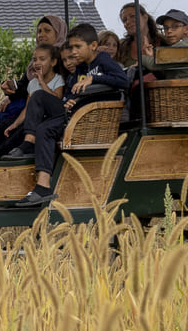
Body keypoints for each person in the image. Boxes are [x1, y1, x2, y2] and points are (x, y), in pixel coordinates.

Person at [18, 23, 130, 208]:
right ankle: (31, 148)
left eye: (78, 47)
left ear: (93, 46)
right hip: (74, 111)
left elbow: (122, 80)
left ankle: (41, 181)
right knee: (39, 99)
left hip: (92, 115)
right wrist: (68, 100)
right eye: (71, 47)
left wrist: (94, 78)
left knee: (45, 128)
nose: (74, 52)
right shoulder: (79, 68)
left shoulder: (102, 60)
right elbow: (71, 91)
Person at [0, 41, 65, 158]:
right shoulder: (32, 83)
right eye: (35, 60)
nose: (37, 63)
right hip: (32, 121)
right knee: (1, 135)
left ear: (53, 62)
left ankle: (27, 146)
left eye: (42, 59)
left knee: (15, 141)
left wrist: (42, 83)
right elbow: (27, 108)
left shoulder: (58, 79)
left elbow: (57, 99)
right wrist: (14, 125)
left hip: (49, 120)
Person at [145, 8, 188, 80]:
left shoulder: (184, 46)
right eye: (166, 28)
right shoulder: (185, 45)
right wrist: (151, 56)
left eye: (175, 27)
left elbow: (153, 65)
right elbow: (164, 72)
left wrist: (142, 58)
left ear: (187, 29)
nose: (169, 31)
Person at [116, 3, 161, 70]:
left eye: (132, 16)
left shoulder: (164, 43)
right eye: (124, 20)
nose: (128, 21)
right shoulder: (121, 48)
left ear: (145, 17)